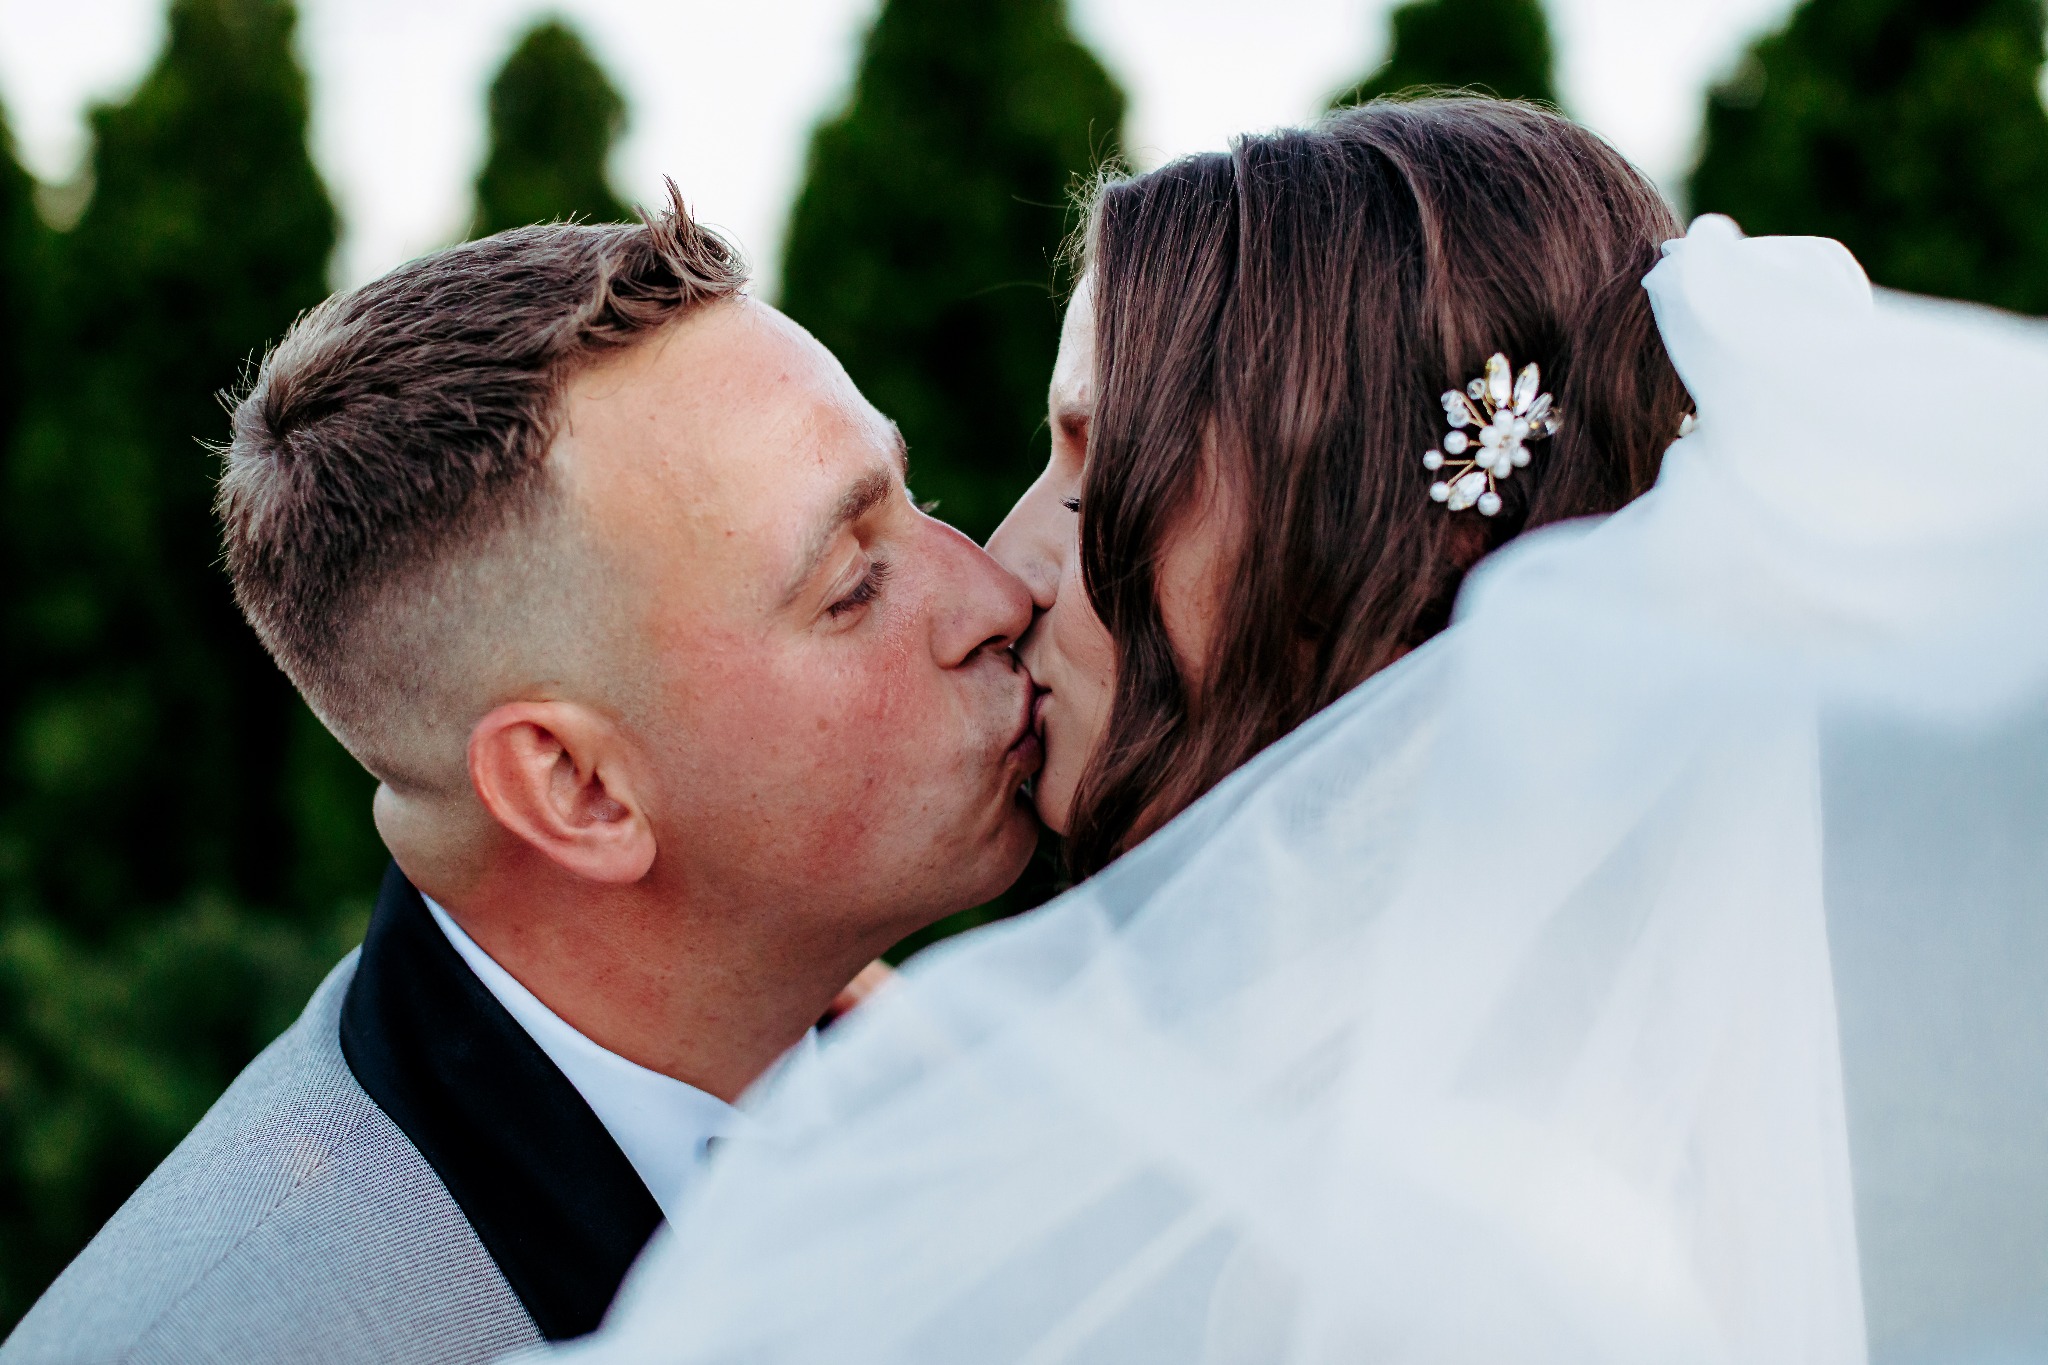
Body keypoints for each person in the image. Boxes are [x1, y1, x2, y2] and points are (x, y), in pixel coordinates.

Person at [563, 102, 2048, 1364]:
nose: (1003, 573)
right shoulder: (1221, 1131)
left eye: (1097, 478)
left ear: (1357, 541)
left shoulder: (1463, 1257)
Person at [0, 189, 1043, 1363]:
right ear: (575, 789)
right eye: (851, 584)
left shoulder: (945, 1081)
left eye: (919, 500)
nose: (998, 599)